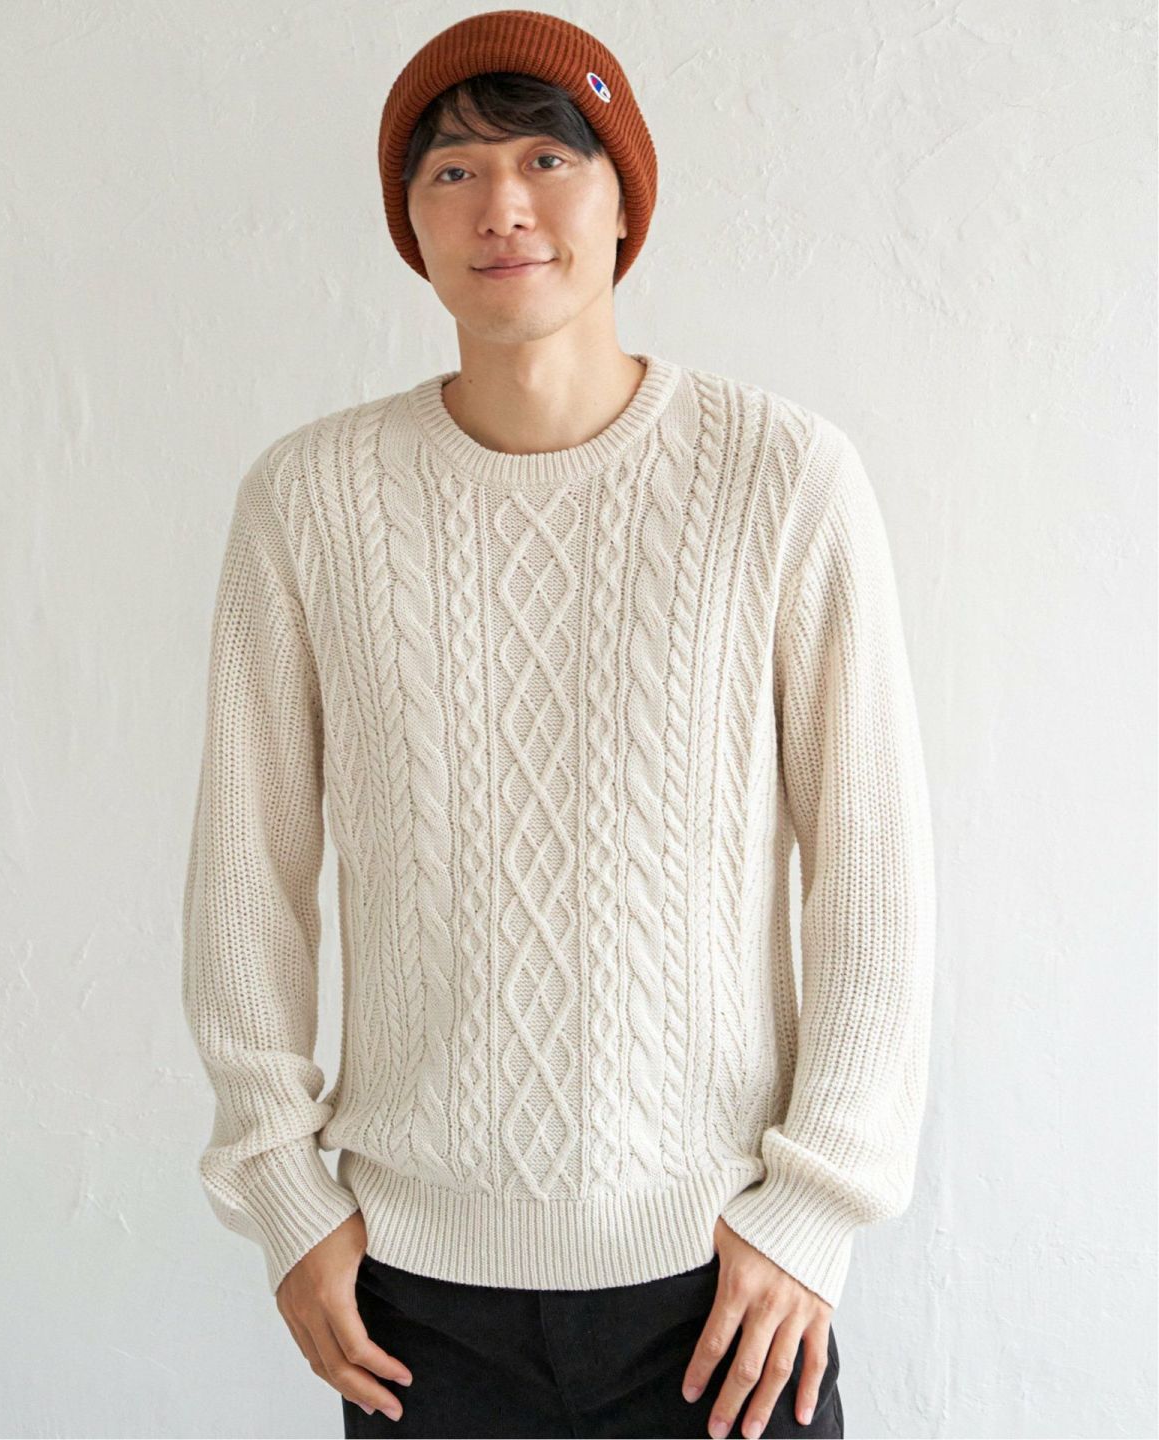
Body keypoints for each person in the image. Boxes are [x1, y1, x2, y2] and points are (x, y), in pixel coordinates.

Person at [180, 10, 936, 1439]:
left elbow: (872, 868)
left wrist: (815, 1209)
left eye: (547, 157)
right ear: (410, 220)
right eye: (452, 171)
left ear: (623, 198)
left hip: (725, 1290)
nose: (503, 205)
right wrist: (283, 1191)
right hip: (414, 1300)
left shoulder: (782, 479)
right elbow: (245, 871)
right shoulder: (310, 500)